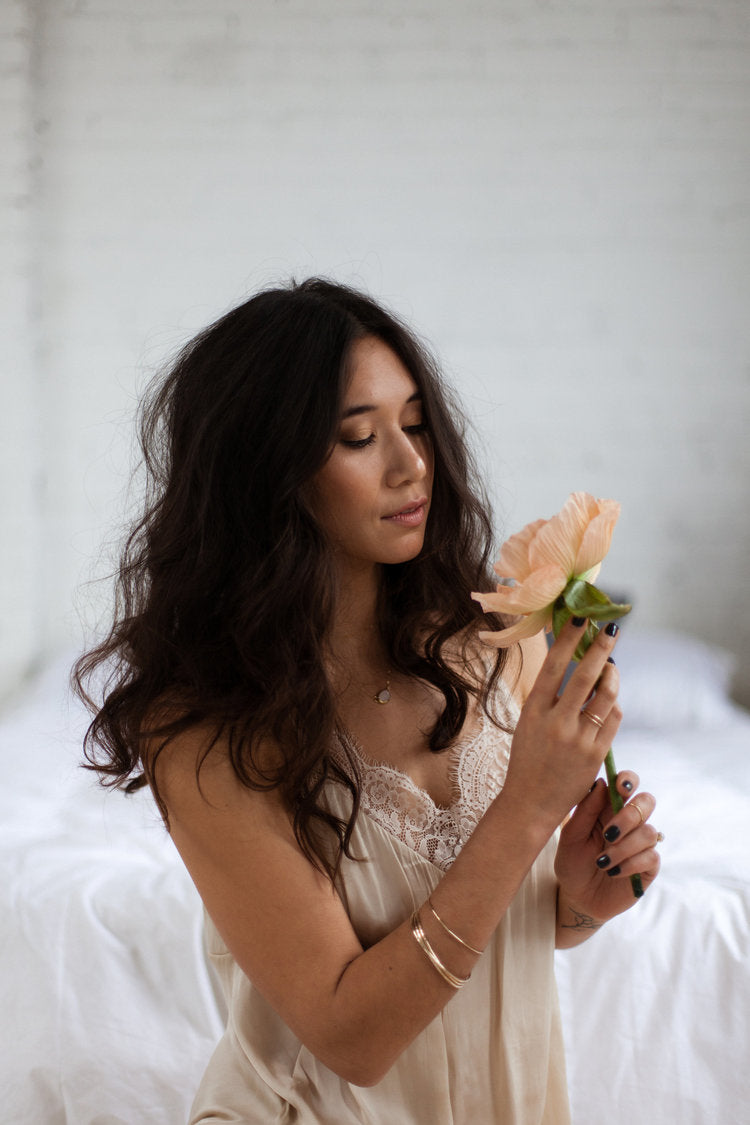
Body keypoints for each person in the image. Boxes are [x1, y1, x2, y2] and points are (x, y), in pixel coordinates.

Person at [75, 278, 661, 1124]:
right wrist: (528, 807)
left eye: (415, 422)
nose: (411, 463)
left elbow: (497, 921)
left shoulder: (497, 635)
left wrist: (577, 902)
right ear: (266, 472)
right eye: (359, 436)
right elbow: (351, 1037)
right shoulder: (202, 731)